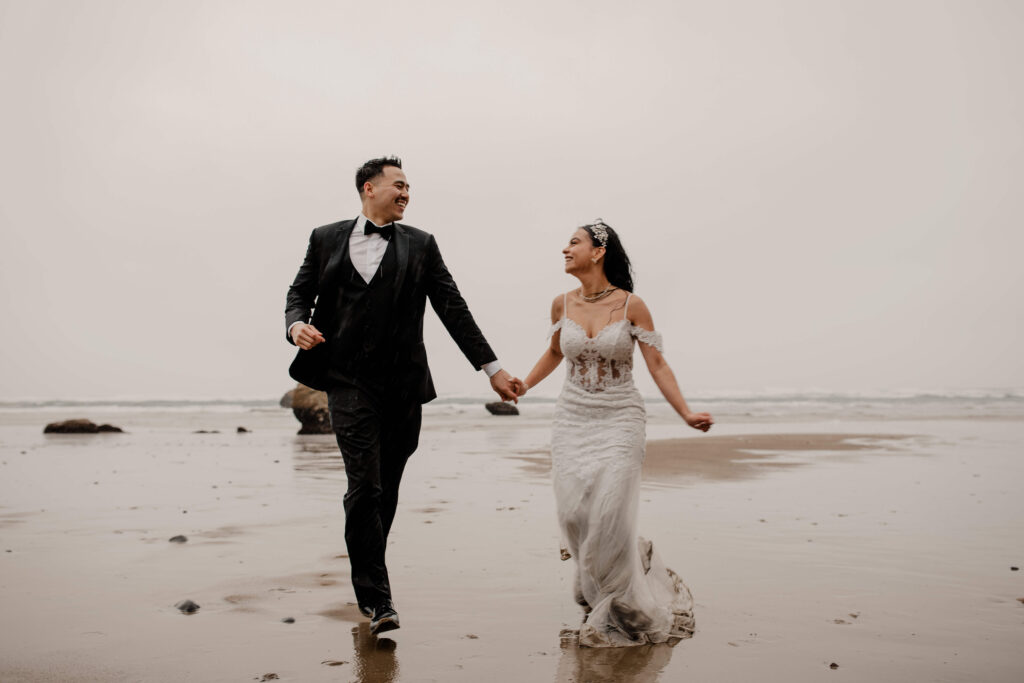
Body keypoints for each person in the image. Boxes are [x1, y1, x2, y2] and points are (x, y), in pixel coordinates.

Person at [285, 156, 519, 635]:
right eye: (399, 184)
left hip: (403, 386)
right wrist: (296, 326)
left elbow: (453, 308)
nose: (407, 192)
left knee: (385, 490)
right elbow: (299, 293)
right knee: (364, 486)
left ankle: (371, 573)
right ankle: (377, 600)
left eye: (410, 186)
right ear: (369, 188)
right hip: (348, 382)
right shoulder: (324, 237)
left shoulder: (421, 245)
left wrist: (491, 369)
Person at [514, 219, 713, 647]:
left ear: (598, 251)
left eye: (573, 242)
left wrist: (685, 412)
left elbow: (657, 363)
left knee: (607, 515)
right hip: (572, 418)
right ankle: (601, 584)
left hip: (620, 418)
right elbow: (552, 353)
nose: (564, 249)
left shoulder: (630, 306)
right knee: (573, 515)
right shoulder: (561, 304)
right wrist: (524, 387)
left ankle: (618, 607)